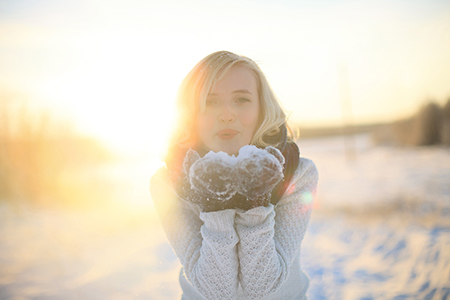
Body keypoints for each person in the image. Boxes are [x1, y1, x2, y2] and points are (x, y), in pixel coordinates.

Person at [150, 51, 318, 300]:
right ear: (190, 114)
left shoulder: (298, 174)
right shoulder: (167, 183)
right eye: (210, 101)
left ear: (262, 108)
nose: (227, 114)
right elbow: (217, 291)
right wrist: (215, 204)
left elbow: (262, 287)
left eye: (241, 99)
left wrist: (256, 202)